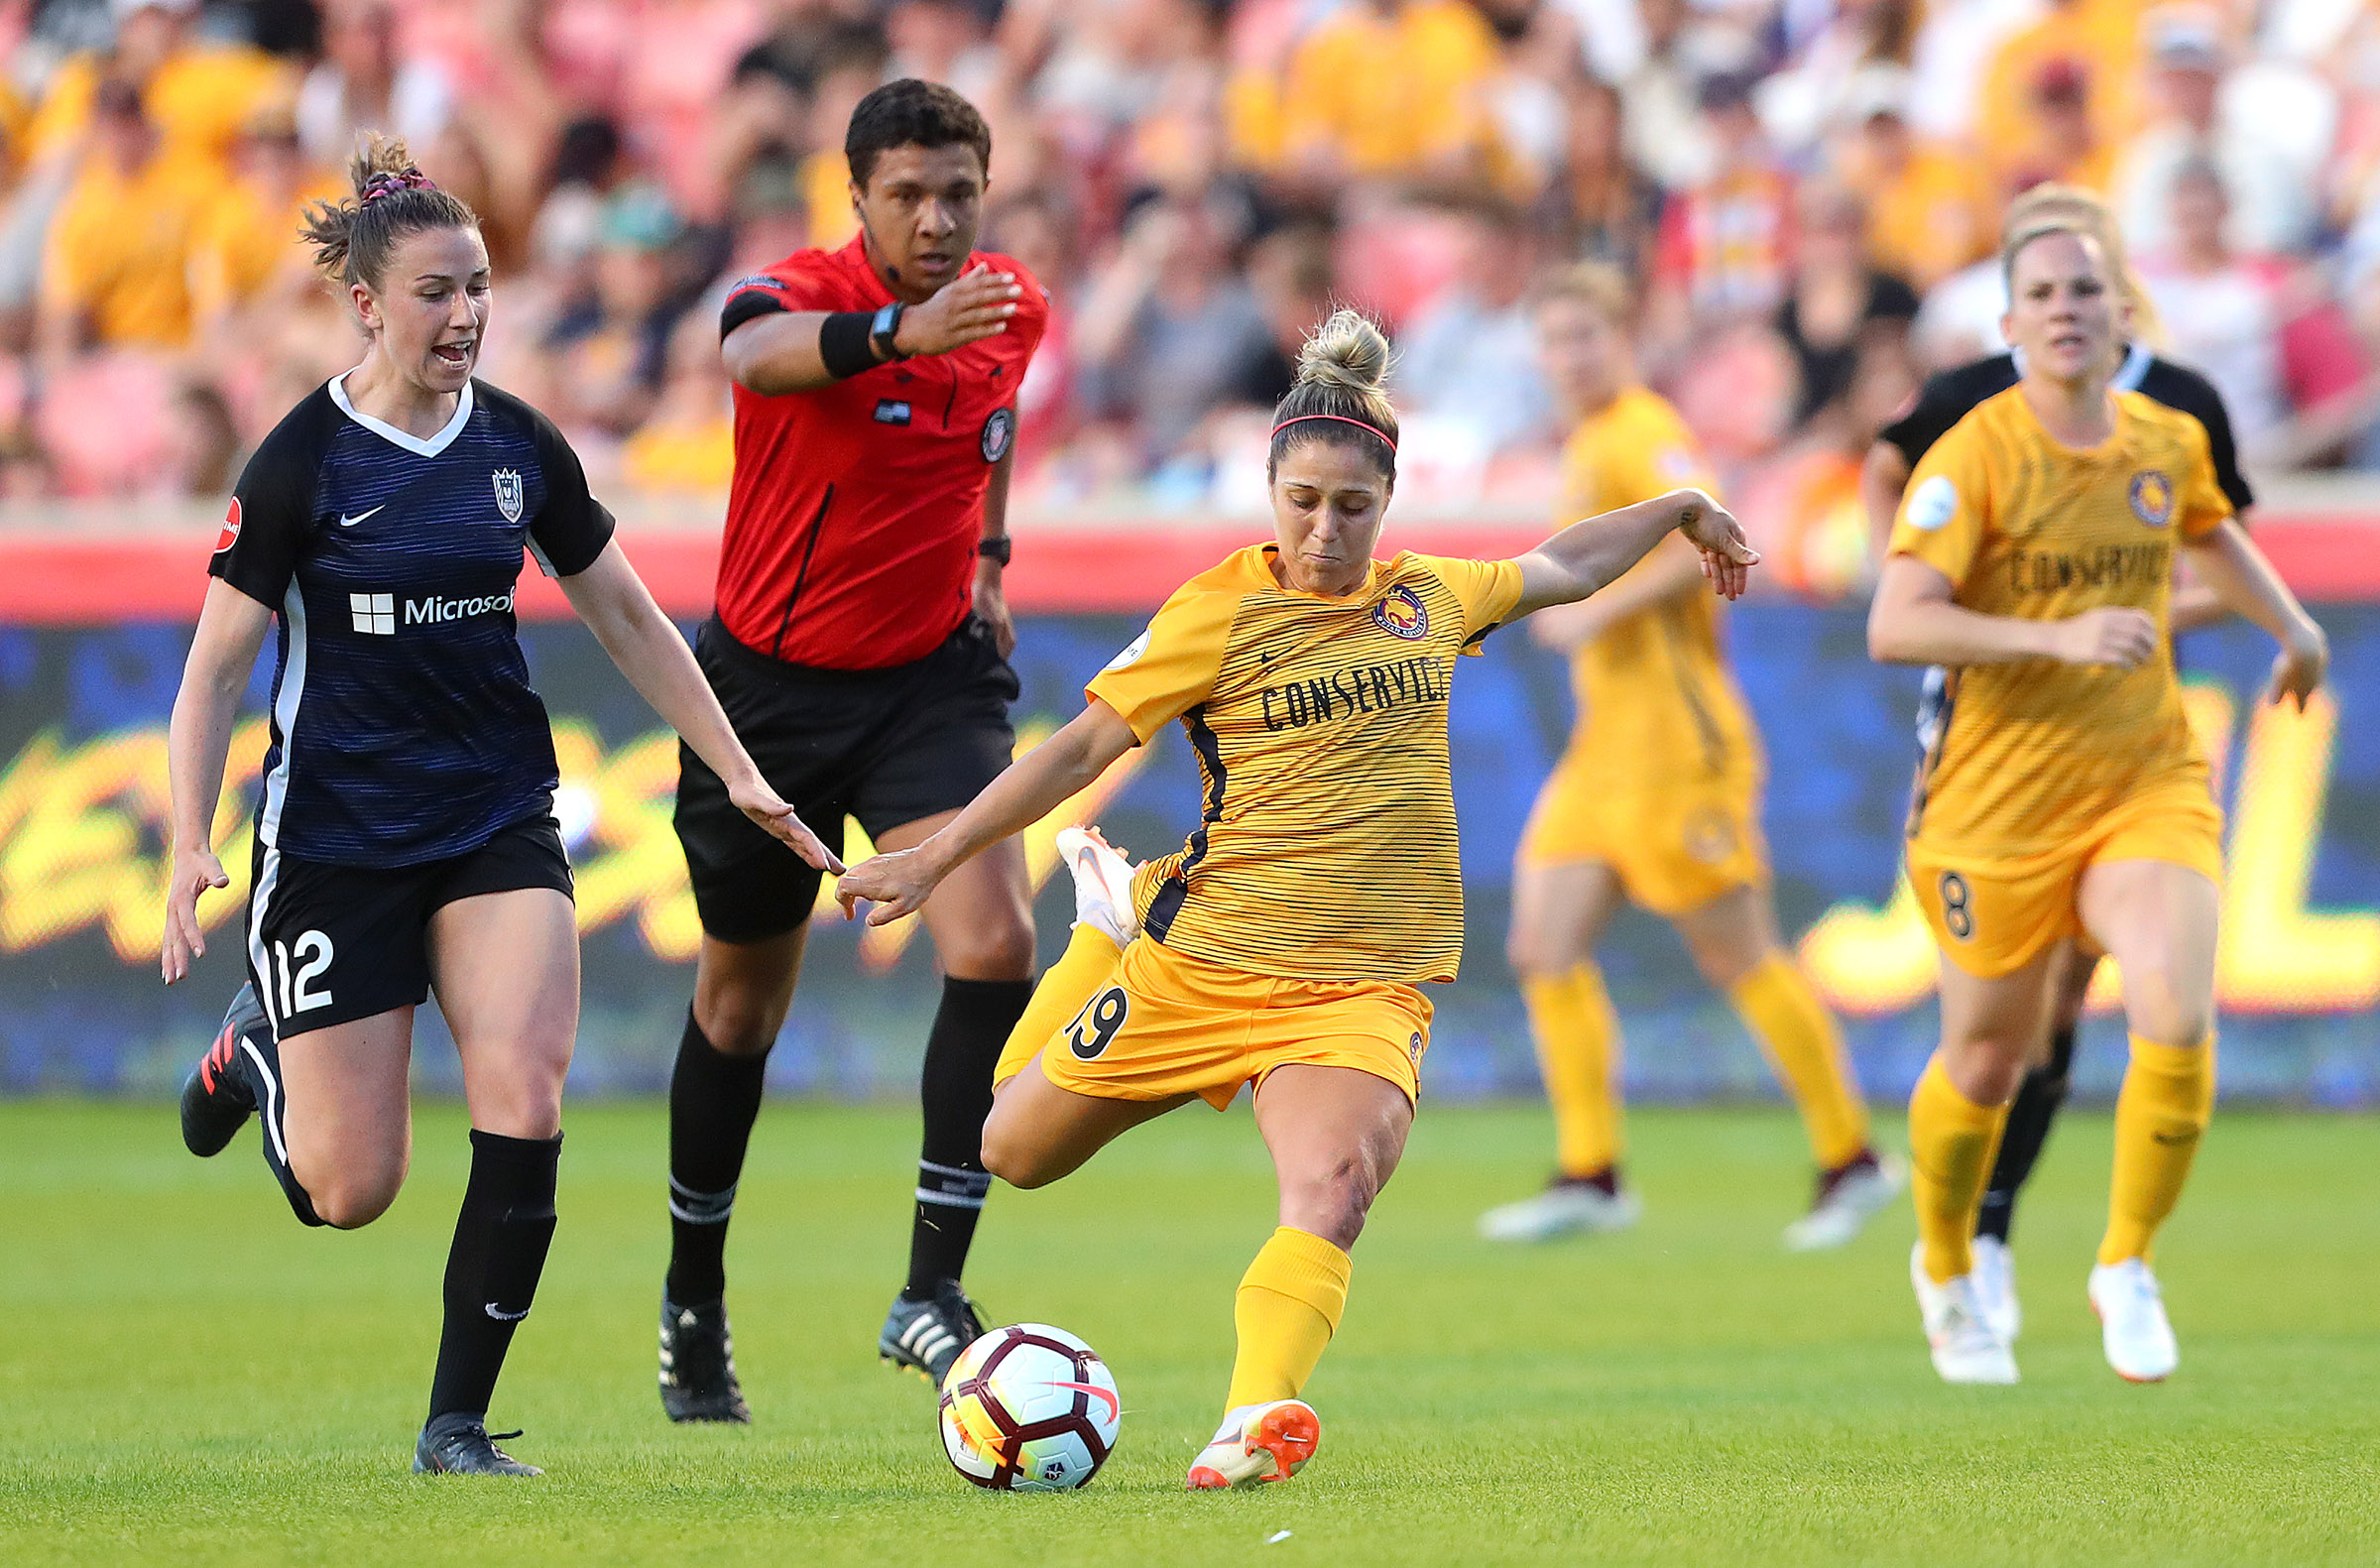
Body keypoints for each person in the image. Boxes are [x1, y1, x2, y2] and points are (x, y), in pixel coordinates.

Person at [835, 308, 1759, 1488]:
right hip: (1201, 959)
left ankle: (1250, 1421)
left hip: (1363, 982)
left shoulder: (1435, 595)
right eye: (1303, 502)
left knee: (1335, 1186)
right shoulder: (1216, 612)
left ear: (1389, 503)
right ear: (1271, 490)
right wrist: (935, 857)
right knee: (1008, 1149)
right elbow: (1075, 753)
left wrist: (1681, 508)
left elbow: (1568, 564)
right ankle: (1101, 935)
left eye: (1352, 507)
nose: (1325, 528)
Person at [162, 137, 836, 1477]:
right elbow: (215, 674)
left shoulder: (518, 446)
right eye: (434, 292)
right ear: (365, 303)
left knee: (525, 1087)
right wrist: (190, 837)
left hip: (495, 817)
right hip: (338, 839)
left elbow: (631, 617)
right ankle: (258, 1054)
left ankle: (454, 1426)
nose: (465, 313)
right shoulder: (301, 462)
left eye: (478, 287)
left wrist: (740, 767)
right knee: (351, 1193)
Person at [1868, 218, 2325, 1386]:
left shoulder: (2167, 438)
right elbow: (1896, 622)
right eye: (2042, 293)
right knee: (1984, 1062)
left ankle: (2126, 1261)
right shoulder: (1972, 455)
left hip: (2144, 777)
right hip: (1996, 803)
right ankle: (1945, 1263)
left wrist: (2293, 626)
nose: (2067, 307)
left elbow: (2213, 533)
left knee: (2174, 1011)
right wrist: (2056, 637)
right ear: (2010, 324)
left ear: (2124, 315)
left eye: (2088, 290)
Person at [656, 78, 1050, 1419]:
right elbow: (751, 357)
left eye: (959, 194)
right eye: (909, 195)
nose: (937, 219)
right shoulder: (798, 296)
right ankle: (692, 1301)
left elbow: (989, 434)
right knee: (739, 1010)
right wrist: (896, 332)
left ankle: (929, 1291)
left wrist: (990, 560)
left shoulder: (1010, 308)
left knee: (997, 939)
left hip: (928, 681)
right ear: (859, 198)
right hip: (765, 695)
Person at [1476, 263, 1900, 1252]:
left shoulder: (1640, 428)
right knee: (1543, 943)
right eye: (1555, 339)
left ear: (1624, 340)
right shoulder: (1589, 439)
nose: (1571, 356)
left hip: (1676, 743)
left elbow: (1704, 527)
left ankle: (1852, 1158)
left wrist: (1597, 607)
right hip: (1605, 748)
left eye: (1587, 335)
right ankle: (1592, 1172)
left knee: (1737, 951)